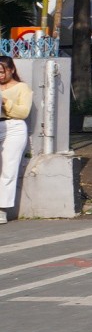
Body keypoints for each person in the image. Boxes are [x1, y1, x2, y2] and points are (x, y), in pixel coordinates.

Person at [0, 54, 28, 218]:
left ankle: (2, 210)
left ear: (11, 70)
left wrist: (6, 102)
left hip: (13, 127)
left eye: (2, 71)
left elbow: (23, 112)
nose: (0, 75)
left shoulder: (22, 88)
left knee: (9, 168)